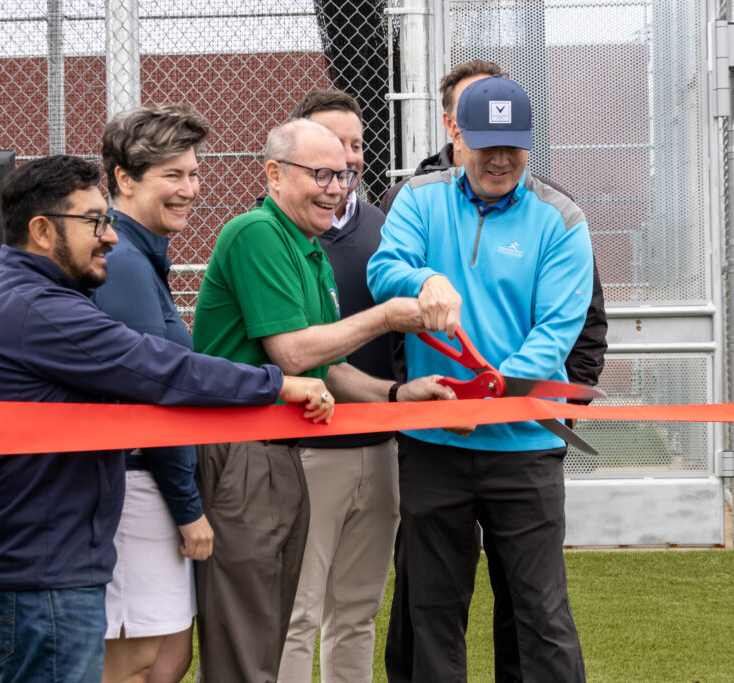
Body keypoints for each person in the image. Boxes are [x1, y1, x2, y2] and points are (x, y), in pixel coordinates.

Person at [0, 154, 334, 683]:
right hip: (40, 573)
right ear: (41, 230)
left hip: (39, 561)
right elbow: (159, 368)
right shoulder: (38, 308)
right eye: (92, 222)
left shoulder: (23, 295)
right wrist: (278, 383)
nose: (108, 237)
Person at [191, 118, 454, 683]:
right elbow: (291, 353)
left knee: (312, 614)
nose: (337, 188)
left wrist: (394, 394)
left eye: (345, 174)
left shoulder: (306, 247)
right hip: (244, 452)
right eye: (322, 174)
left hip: (279, 451)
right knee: (270, 623)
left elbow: (325, 367)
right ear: (273, 174)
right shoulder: (256, 232)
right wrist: (386, 315)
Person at [379, 59, 607, 682]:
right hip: (432, 441)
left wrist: (493, 394)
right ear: (457, 137)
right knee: (430, 609)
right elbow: (385, 269)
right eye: (485, 146)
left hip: (524, 444)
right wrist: (423, 279)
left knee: (539, 610)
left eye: (513, 147)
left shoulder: (560, 220)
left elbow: (557, 330)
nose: (500, 160)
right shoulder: (417, 201)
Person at [272, 90, 400, 683]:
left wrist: (399, 400)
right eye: (325, 155)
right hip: (307, 448)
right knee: (298, 612)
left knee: (357, 610)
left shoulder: (384, 225)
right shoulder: (270, 236)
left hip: (379, 445)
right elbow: (299, 355)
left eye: (352, 151)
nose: (341, 169)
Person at [90, 103, 211, 683]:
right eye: (172, 175)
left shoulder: (142, 256)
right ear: (124, 179)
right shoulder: (125, 261)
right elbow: (151, 392)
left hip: (151, 483)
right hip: (134, 484)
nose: (189, 189)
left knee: (167, 658)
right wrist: (189, 511)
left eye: (192, 173)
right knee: (138, 662)